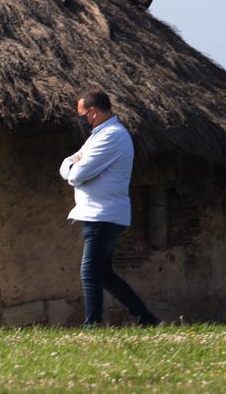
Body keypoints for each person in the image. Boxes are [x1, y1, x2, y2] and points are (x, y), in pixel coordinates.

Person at [59, 89, 160, 327]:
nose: (82, 120)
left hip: (102, 214)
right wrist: (71, 166)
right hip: (99, 212)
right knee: (104, 274)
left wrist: (72, 167)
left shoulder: (111, 136)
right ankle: (145, 317)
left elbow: (78, 173)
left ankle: (92, 323)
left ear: (93, 112)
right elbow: (68, 163)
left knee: (90, 271)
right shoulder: (99, 135)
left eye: (82, 115)